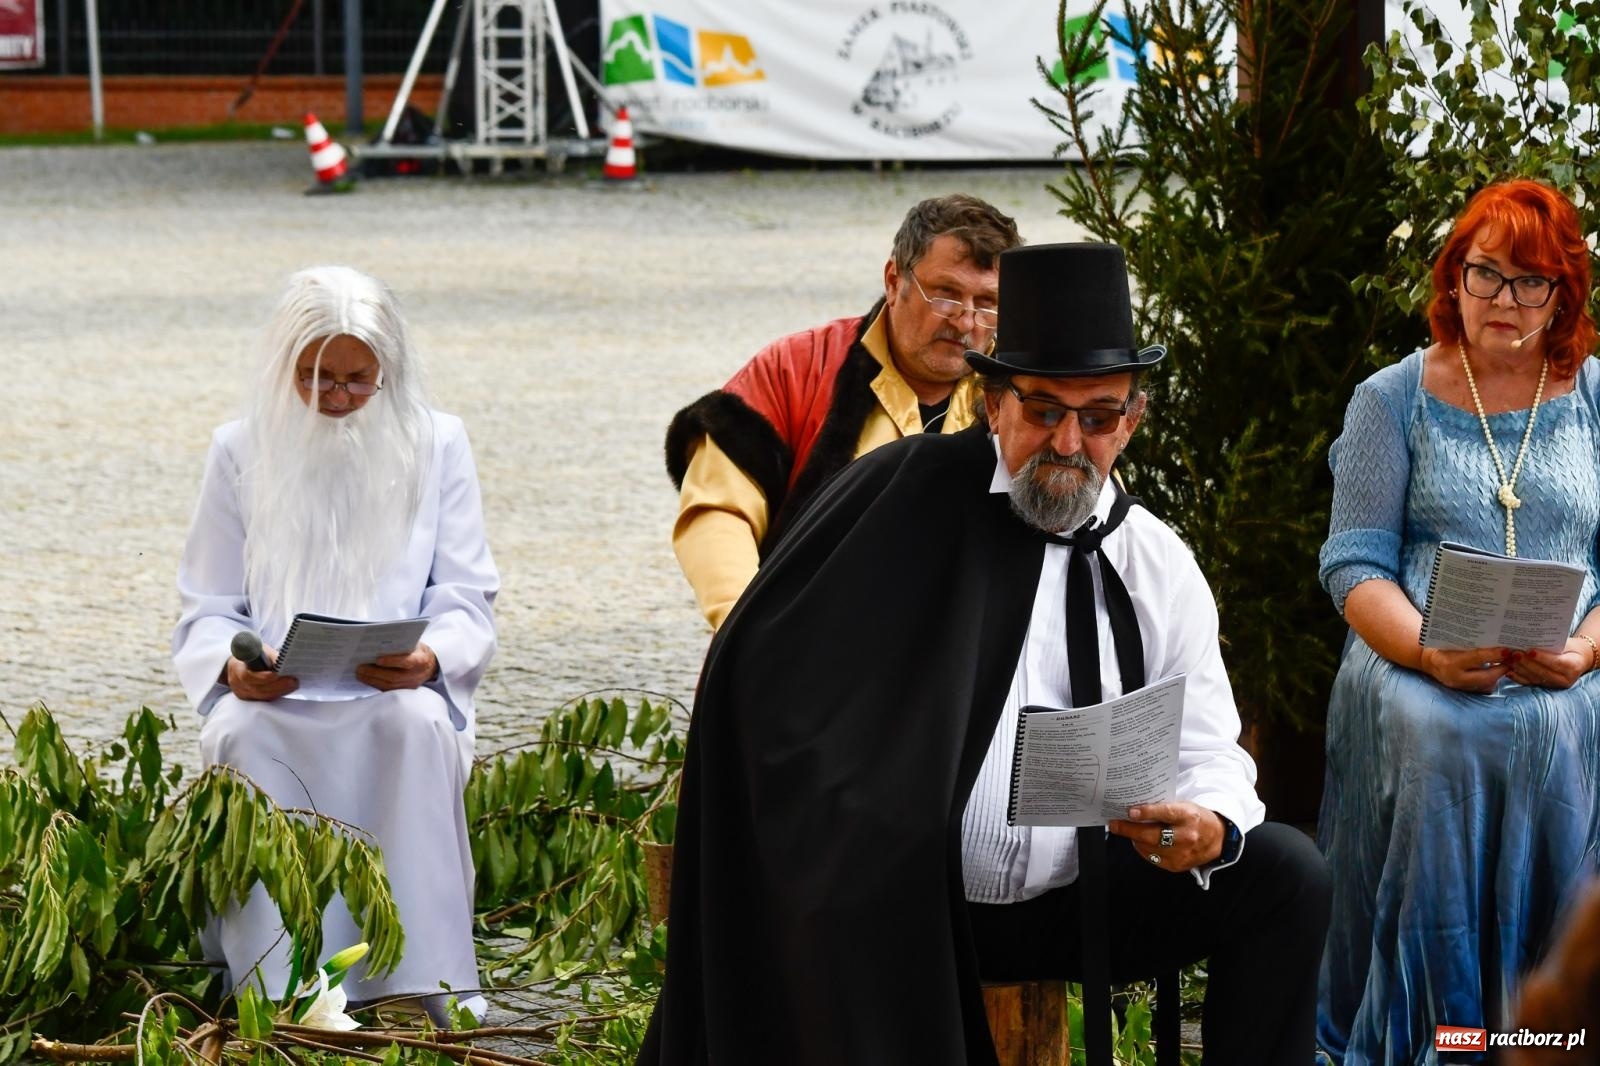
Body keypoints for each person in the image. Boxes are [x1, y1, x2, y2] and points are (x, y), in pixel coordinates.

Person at [639, 243, 1330, 1065]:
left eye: (1099, 416)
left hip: (1083, 896)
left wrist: (1210, 823)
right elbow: (763, 673)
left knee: (1288, 874)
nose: (1069, 441)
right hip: (909, 905)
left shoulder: (1155, 562)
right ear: (994, 403)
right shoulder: (898, 501)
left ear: (1131, 422)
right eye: (1043, 411)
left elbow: (1209, 743)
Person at [1317, 178, 1600, 1062]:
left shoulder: (1595, 394)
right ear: (1453, 278)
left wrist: (1590, 649)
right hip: (1413, 652)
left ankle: (1556, 1028)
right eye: (1485, 275)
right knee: (1434, 734)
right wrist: (1429, 652)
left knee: (1556, 721)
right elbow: (1354, 563)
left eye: (1529, 282)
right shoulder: (1390, 398)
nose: (1502, 301)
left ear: (1564, 295)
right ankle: (1439, 1035)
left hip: (1568, 658)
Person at [171, 266, 499, 1020]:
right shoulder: (238, 449)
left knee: (414, 728)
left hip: (394, 692)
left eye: (359, 379)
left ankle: (416, 985)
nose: (340, 398)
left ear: (389, 369)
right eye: (318, 378)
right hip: (277, 701)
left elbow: (465, 592)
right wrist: (233, 666)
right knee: (241, 734)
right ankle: (274, 986)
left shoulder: (438, 443)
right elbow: (209, 601)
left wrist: (431, 659)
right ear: (286, 363)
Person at [665, 193, 1022, 628]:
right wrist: (749, 636)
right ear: (894, 280)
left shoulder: (1028, 394)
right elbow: (720, 512)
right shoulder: (794, 369)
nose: (965, 321)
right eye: (945, 295)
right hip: (808, 649)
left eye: (987, 303)